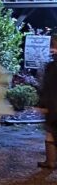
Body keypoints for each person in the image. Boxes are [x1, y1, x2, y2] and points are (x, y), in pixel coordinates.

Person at [37, 38, 57, 169]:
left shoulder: (52, 66)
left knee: (51, 133)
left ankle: (50, 161)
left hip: (54, 106)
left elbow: (48, 88)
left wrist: (43, 104)